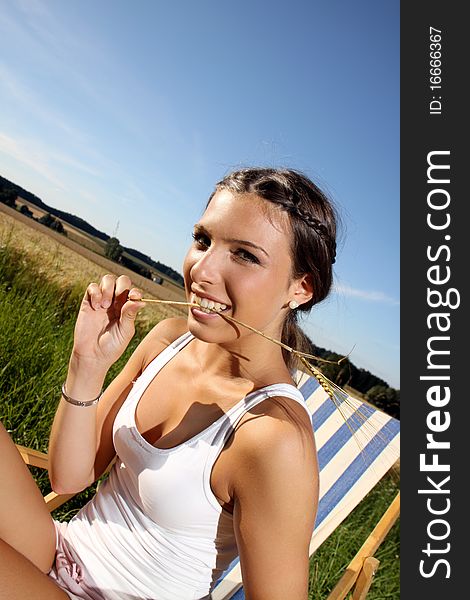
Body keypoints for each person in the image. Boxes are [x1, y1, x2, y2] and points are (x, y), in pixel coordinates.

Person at [0, 167, 338, 600]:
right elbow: (69, 479)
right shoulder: (167, 340)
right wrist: (86, 364)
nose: (203, 270)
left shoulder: (273, 438)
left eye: (245, 255)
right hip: (57, 552)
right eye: (203, 240)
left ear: (301, 287)